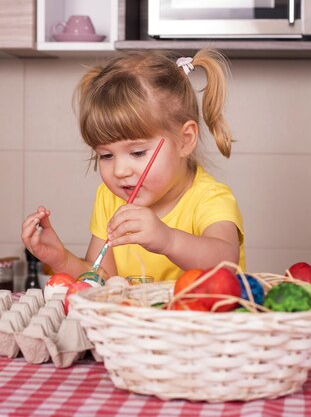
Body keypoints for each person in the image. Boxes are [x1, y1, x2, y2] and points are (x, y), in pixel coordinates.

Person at [21, 49, 244, 282]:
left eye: (137, 152)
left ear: (185, 140)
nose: (119, 171)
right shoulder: (109, 199)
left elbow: (226, 264)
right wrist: (61, 260)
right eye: (106, 156)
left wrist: (168, 240)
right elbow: (102, 280)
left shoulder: (211, 198)